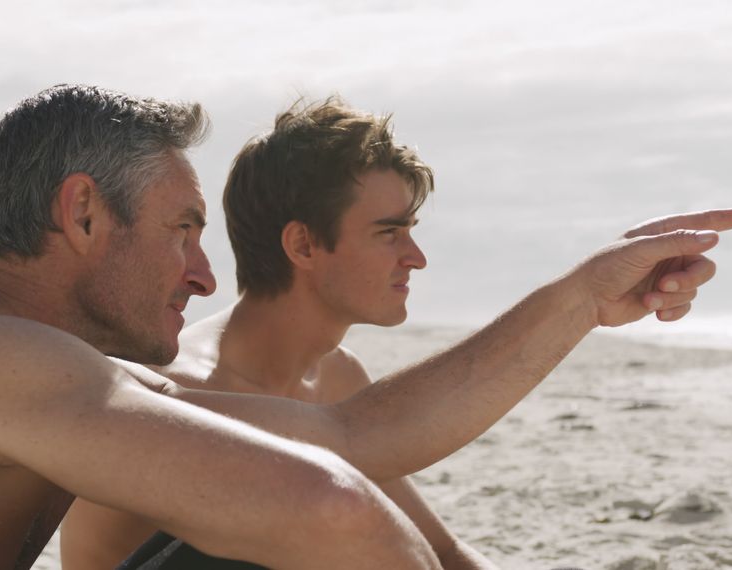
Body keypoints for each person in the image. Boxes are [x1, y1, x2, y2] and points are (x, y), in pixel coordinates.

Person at [0, 83, 732, 570]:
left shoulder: (11, 362)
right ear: (85, 214)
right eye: (182, 231)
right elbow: (330, 503)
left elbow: (357, 437)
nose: (204, 271)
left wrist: (585, 299)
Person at [61, 96, 500, 569]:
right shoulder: (172, 393)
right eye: (389, 232)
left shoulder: (336, 379)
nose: (415, 257)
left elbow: (444, 552)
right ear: (303, 244)